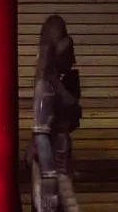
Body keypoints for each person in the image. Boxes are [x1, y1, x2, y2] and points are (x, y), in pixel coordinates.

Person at [30, 15, 83, 212]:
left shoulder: (54, 83)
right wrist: (49, 177)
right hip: (52, 170)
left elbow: (72, 113)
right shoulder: (46, 86)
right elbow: (41, 133)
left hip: (58, 166)